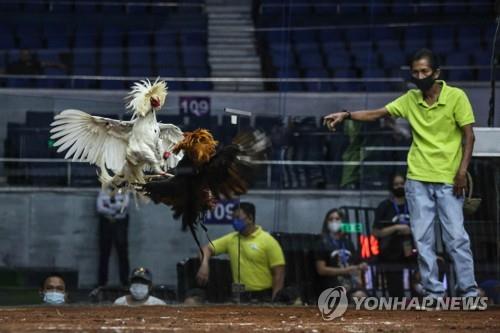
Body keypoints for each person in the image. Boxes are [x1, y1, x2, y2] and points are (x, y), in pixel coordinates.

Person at [324, 48, 479, 300]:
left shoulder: (456, 96)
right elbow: (378, 113)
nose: (420, 76)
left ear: (436, 72)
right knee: (422, 239)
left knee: (456, 239)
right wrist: (347, 114)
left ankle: (469, 292)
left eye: (425, 71)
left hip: (449, 180)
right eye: (415, 72)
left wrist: (462, 171)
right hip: (417, 179)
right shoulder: (410, 98)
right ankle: (433, 293)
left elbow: (469, 136)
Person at [196, 202, 285, 302]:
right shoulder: (231, 239)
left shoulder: (268, 241)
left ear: (250, 218)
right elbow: (206, 249)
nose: (234, 221)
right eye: (233, 218)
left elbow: (279, 273)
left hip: (263, 296)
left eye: (237, 218)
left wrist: (275, 301)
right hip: (240, 296)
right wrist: (204, 265)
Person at [372, 174, 416, 297]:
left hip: (413, 249)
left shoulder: (414, 204)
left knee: (420, 284)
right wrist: (396, 227)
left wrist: (411, 230)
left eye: (402, 184)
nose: (399, 187)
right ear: (391, 187)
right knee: (396, 290)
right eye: (396, 184)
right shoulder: (384, 206)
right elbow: (376, 232)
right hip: (391, 251)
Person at [314, 208, 368, 299]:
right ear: (326, 223)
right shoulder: (322, 243)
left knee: (367, 297)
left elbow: (355, 264)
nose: (334, 222)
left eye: (337, 219)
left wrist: (361, 267)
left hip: (350, 283)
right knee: (359, 296)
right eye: (331, 219)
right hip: (332, 285)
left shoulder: (348, 243)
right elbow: (321, 270)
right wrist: (346, 270)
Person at [96, 187, 130, 287]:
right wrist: (116, 209)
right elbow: (99, 208)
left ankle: (125, 282)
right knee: (104, 253)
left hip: (121, 223)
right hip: (106, 223)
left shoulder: (124, 191)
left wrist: (109, 206)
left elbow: (125, 206)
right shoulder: (103, 191)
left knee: (122, 254)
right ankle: (102, 283)